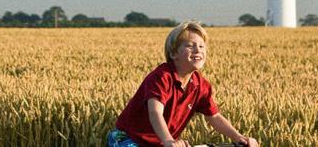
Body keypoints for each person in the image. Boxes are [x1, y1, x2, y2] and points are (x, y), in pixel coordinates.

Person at [107, 22, 260, 147]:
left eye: (201, 46)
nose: (197, 50)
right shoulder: (162, 77)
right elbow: (155, 112)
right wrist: (168, 140)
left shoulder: (200, 85)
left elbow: (214, 117)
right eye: (190, 46)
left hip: (161, 143)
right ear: (173, 54)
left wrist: (239, 138)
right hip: (129, 139)